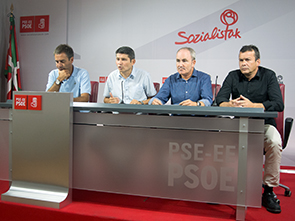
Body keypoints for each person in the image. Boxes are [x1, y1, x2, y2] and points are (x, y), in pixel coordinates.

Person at [215, 45, 284, 213]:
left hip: (263, 124)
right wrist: (231, 104)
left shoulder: (269, 76)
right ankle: (223, 186)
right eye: (241, 60)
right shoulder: (233, 76)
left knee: (274, 142)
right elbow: (220, 100)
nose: (243, 63)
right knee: (216, 140)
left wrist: (254, 106)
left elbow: (278, 104)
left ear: (257, 62)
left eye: (247, 60)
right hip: (239, 124)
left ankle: (268, 191)